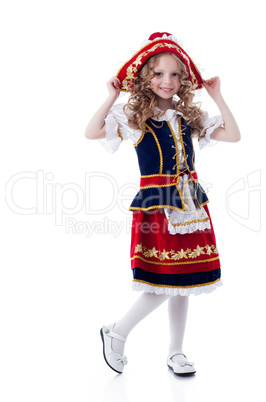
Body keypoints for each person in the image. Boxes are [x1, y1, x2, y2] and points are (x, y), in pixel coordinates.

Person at [84, 32, 241, 376]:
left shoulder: (189, 119)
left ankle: (176, 351)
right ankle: (117, 332)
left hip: (191, 205)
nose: (166, 81)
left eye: (174, 74)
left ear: (183, 80)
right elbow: (92, 131)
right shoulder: (134, 117)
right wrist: (111, 96)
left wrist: (217, 95)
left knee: (184, 281)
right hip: (157, 204)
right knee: (163, 279)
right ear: (145, 78)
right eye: (158, 73)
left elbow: (232, 134)